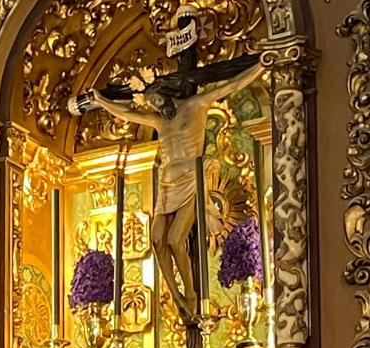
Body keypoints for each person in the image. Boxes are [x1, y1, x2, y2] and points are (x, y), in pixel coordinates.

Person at [76, 60, 260, 322]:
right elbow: (126, 115)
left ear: (168, 92)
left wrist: (261, 66)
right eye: (152, 103)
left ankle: (192, 294)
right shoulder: (158, 121)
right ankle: (177, 297)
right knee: (157, 239)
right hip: (166, 184)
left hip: (190, 180)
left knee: (175, 240)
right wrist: (101, 100)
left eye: (159, 101)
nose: (156, 107)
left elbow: (232, 84)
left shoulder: (197, 105)